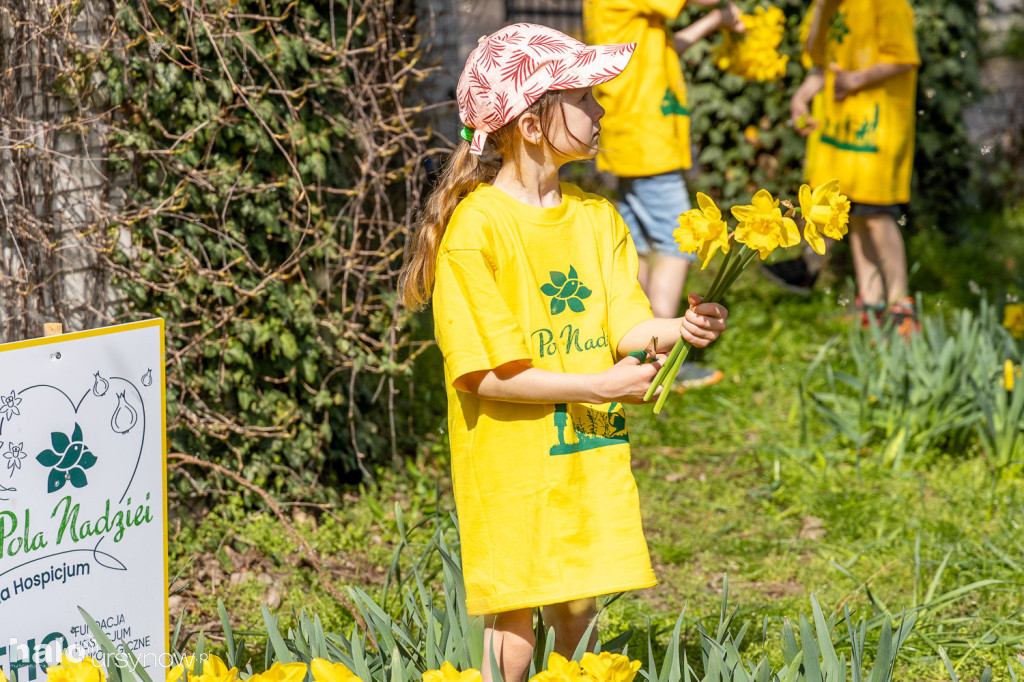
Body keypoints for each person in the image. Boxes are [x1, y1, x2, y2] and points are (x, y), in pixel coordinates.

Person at [399, 24, 728, 682]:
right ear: (531, 123)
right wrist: (602, 388)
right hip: (512, 462)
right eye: (585, 98)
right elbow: (484, 377)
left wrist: (678, 331)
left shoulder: (597, 218)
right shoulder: (478, 231)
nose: (603, 110)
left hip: (587, 449)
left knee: (579, 606)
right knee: (516, 621)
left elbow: (628, 325)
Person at [583, 0, 744, 388]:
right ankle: (661, 358)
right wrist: (723, 13)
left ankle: (630, 348)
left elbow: (670, 51)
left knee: (637, 246)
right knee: (678, 243)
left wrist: (716, 20)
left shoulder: (640, 18)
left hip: (632, 135)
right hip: (646, 139)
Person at [762, 0, 920, 330]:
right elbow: (819, 60)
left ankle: (901, 307)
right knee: (856, 219)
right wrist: (800, 97)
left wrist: (857, 80)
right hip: (840, 133)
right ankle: (873, 304)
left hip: (877, 132)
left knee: (878, 216)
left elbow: (903, 58)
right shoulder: (829, 5)